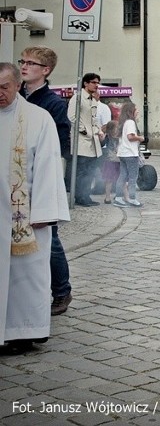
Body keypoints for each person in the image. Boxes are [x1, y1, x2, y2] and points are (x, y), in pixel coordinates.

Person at [0, 63, 70, 352]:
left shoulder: (38, 118)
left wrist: (43, 211)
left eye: (4, 87)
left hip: (24, 215)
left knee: (25, 276)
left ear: (18, 85)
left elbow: (49, 165)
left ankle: (24, 331)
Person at [17, 47, 73, 316]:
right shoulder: (14, 96)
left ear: (46, 70)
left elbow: (60, 145)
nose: (24, 66)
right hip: (17, 175)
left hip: (43, 175)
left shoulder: (52, 103)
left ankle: (62, 291)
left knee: (50, 237)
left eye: (31, 63)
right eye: (22, 61)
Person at [67, 72, 103, 206]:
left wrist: (98, 131)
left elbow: (94, 118)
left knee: (90, 171)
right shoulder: (77, 97)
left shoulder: (93, 99)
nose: (96, 85)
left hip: (92, 141)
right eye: (94, 82)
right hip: (82, 141)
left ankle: (86, 196)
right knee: (81, 172)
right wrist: (83, 130)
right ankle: (79, 197)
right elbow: (72, 116)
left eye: (97, 82)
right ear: (86, 83)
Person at [113, 102, 144, 208]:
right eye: (136, 109)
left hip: (123, 153)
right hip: (131, 153)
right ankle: (132, 198)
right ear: (131, 111)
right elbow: (130, 137)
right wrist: (140, 138)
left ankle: (118, 198)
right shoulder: (130, 122)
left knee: (122, 176)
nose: (138, 111)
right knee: (132, 177)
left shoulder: (123, 122)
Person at [100, 120, 120, 204]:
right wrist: (102, 138)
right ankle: (107, 197)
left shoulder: (120, 137)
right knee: (109, 179)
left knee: (120, 179)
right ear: (111, 130)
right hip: (110, 160)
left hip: (119, 160)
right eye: (116, 129)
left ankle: (119, 195)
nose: (117, 130)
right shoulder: (108, 137)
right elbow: (102, 144)